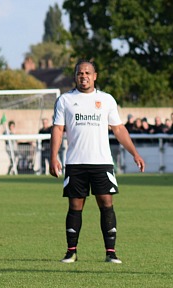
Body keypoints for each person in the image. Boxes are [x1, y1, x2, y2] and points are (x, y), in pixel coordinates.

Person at [49, 59, 145, 264]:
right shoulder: (65, 100)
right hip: (75, 162)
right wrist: (53, 156)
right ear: (75, 77)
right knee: (75, 206)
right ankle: (71, 251)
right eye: (79, 73)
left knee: (107, 204)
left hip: (101, 162)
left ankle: (111, 252)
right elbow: (58, 129)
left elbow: (118, 129)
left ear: (95, 76)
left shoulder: (107, 100)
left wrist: (134, 153)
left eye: (87, 73)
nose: (83, 76)